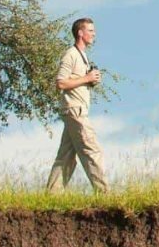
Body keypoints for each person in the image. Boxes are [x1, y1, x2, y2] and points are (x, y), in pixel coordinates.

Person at [47, 17, 107, 192]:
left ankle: (52, 194)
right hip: (74, 110)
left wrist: (91, 81)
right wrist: (86, 78)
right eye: (90, 31)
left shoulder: (83, 56)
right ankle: (104, 193)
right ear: (80, 33)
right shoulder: (70, 54)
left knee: (66, 157)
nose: (94, 34)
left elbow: (75, 81)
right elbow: (60, 83)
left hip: (77, 110)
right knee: (92, 150)